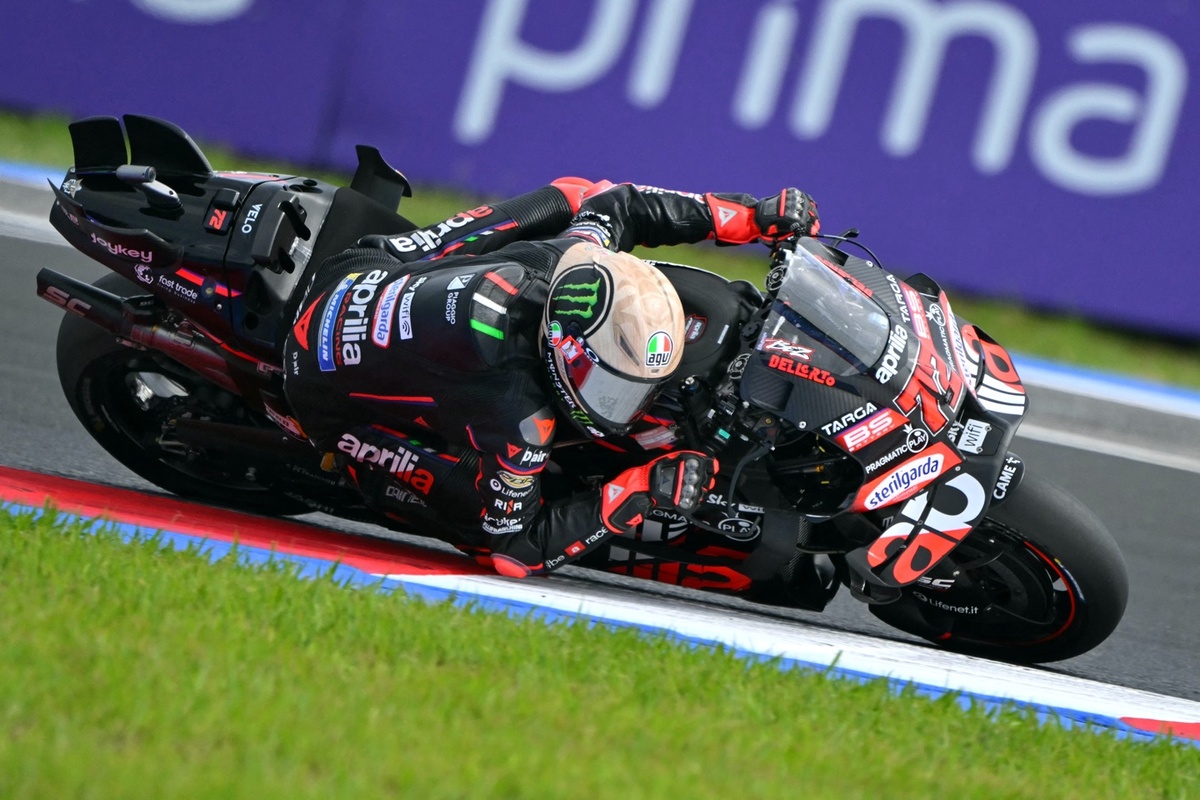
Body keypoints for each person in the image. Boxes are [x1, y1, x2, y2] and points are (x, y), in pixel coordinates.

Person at [281, 179, 819, 577]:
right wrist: (639, 488)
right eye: (615, 387)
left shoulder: (568, 257)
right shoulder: (520, 416)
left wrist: (748, 218)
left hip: (358, 267)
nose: (629, 407)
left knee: (572, 195)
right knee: (487, 529)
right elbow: (518, 551)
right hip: (317, 390)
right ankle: (356, 461)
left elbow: (620, 204)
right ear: (565, 349)